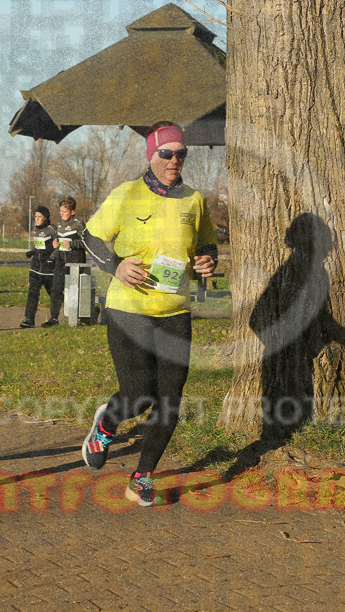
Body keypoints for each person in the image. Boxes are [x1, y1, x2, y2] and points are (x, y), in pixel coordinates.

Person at [79, 122, 218, 507]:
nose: (175, 160)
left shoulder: (194, 200)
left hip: (175, 312)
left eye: (181, 154)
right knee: (140, 395)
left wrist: (208, 261)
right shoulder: (126, 195)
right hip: (130, 309)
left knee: (170, 400)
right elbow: (89, 237)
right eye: (166, 153)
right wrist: (116, 265)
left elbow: (207, 244)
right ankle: (107, 423)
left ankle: (141, 477)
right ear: (151, 155)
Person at [46, 196, 87, 325]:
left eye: (65, 211)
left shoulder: (78, 224)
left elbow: (87, 243)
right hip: (61, 260)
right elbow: (59, 239)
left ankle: (82, 315)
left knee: (74, 290)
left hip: (76, 261)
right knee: (55, 288)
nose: (62, 214)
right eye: (60, 211)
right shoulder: (59, 223)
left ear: (72, 212)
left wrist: (72, 244)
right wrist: (55, 243)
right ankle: (54, 318)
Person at [20, 205, 57, 328]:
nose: (36, 219)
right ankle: (29, 319)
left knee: (56, 295)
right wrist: (32, 252)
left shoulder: (52, 230)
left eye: (39, 216)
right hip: (35, 268)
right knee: (32, 293)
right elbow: (38, 246)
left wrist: (52, 258)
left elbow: (59, 245)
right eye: (35, 216)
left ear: (45, 217)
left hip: (49, 270)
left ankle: (57, 318)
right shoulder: (35, 229)